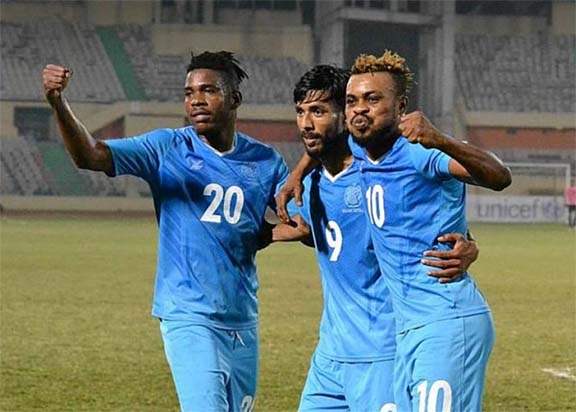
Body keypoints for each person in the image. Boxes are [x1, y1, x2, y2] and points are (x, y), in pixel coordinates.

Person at [42, 51, 289, 412]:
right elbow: (90, 155)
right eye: (189, 93)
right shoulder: (167, 147)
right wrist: (58, 102)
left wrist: (267, 233)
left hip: (242, 320)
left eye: (208, 90)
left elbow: (302, 217)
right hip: (187, 315)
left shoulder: (265, 161)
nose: (196, 100)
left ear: (235, 99)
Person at [273, 65, 481, 412]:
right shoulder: (309, 186)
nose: (306, 123)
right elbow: (316, 232)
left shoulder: (380, 169)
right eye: (301, 112)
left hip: (381, 350)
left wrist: (468, 242)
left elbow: (425, 214)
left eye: (319, 111)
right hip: (331, 353)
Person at [343, 50, 511, 412]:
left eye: (373, 99)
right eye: (352, 101)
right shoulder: (361, 150)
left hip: (446, 321)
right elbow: (320, 140)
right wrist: (296, 174)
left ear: (401, 106)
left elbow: (499, 176)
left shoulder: (420, 152)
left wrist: (440, 139)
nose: (360, 109)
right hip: (407, 330)